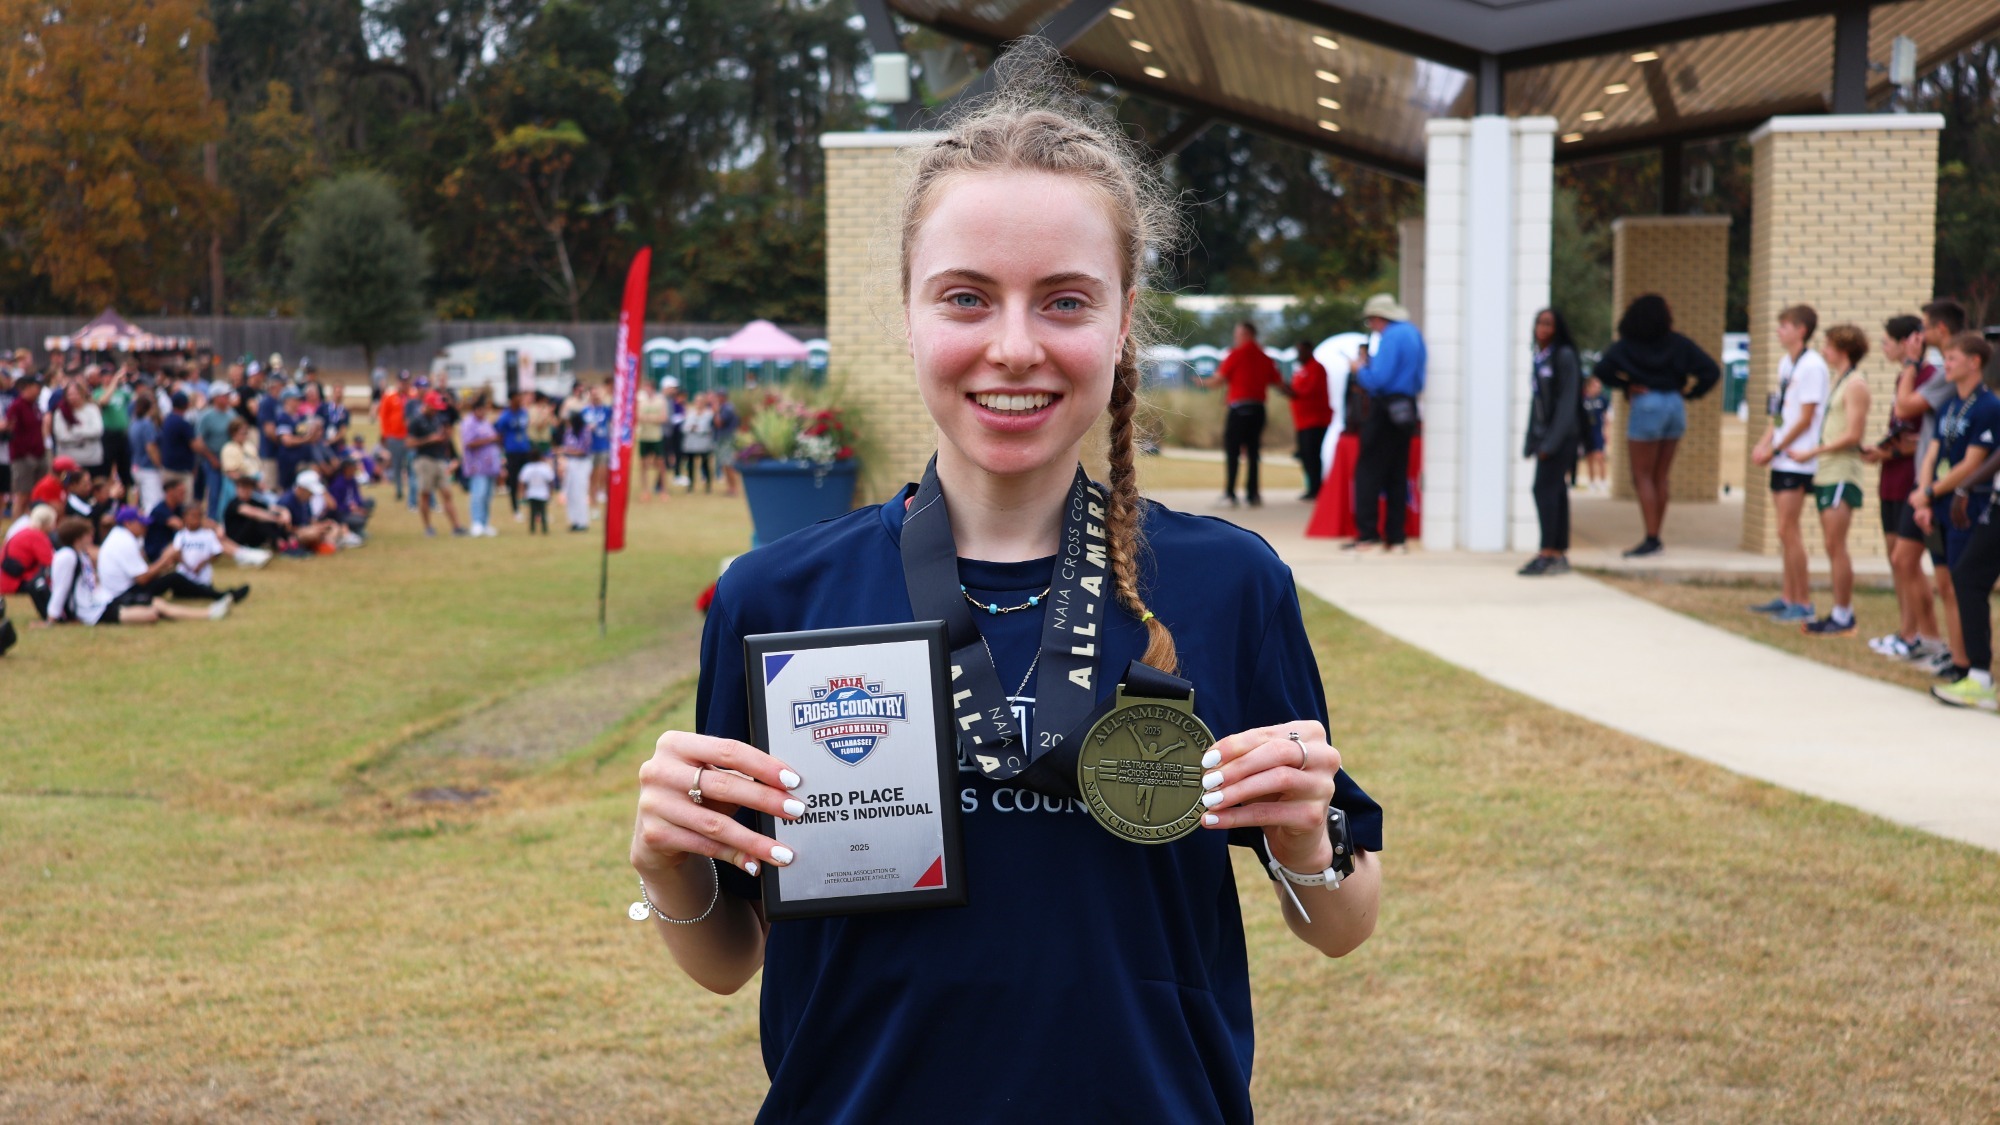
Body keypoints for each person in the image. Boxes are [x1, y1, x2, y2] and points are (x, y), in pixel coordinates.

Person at [627, 56, 1381, 1122]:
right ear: (908, 316)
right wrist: (669, 863)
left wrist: (1307, 841)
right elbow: (727, 958)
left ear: (1123, 324)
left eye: (1065, 300)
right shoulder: (775, 597)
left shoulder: (1227, 583)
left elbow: (1341, 922)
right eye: (966, 297)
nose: (1013, 346)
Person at [1592, 294, 1722, 558]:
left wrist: (1626, 385)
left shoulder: (1627, 346)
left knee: (1642, 476)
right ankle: (1656, 535)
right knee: (1660, 476)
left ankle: (1651, 538)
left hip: (1647, 402)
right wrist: (1691, 393)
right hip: (1675, 404)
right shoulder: (1679, 343)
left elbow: (1602, 370)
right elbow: (1711, 370)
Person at [1913, 331, 2000, 692]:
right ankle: (1968, 667)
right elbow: (1934, 451)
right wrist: (1925, 493)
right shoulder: (1951, 405)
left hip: (1975, 501)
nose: (1944, 365)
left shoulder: (1989, 406)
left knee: (1964, 579)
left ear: (1974, 362)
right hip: (1949, 498)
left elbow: (1975, 462)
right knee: (1956, 579)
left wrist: (1938, 489)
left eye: (1952, 359)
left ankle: (1973, 670)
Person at [1862, 316, 1941, 659]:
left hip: (1914, 480)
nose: (1883, 348)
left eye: (1887, 341)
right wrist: (1884, 451)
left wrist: (1891, 450)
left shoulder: (1929, 378)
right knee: (1897, 562)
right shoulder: (1904, 377)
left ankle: (1925, 636)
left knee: (1907, 561)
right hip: (1891, 480)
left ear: (1909, 341)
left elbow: (1921, 434)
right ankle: (1907, 632)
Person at [1749, 304, 1827, 624]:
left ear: (1801, 330)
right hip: (1781, 456)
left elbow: (1807, 419)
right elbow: (1780, 412)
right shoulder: (1786, 363)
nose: (1779, 331)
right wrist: (1764, 442)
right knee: (1782, 531)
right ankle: (1787, 596)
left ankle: (1804, 601)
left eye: (1785, 326)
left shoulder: (1813, 366)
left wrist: (1777, 447)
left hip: (1797, 459)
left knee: (1788, 528)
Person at [1792, 325, 1872, 637]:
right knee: (1830, 544)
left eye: (1829, 345)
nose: (1824, 351)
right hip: (1827, 470)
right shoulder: (1841, 381)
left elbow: (1853, 434)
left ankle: (1844, 616)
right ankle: (1840, 612)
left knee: (1836, 544)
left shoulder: (1855, 385)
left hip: (1841, 471)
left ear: (1843, 349)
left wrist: (1814, 450)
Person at [1351, 293, 1425, 553]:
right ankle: (1396, 537)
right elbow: (1418, 378)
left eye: (1370, 320)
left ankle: (1367, 534)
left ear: (1379, 318)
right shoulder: (1414, 334)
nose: (1371, 326)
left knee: (1368, 471)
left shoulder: (1390, 337)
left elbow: (1378, 380)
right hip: (1406, 407)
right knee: (1397, 471)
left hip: (1385, 408)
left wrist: (1359, 370)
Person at [1196, 321, 1289, 507]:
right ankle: (1253, 494)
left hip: (1239, 409)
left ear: (1246, 334)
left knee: (1233, 450)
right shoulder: (1265, 358)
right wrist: (1294, 392)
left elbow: (1218, 381)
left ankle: (1230, 493)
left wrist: (1201, 382)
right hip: (1258, 409)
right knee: (1253, 451)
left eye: (1237, 334)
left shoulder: (1235, 355)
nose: (1235, 338)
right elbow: (1279, 384)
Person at [1521, 308, 1583, 577]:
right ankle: (1558, 552)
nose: (1542, 328)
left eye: (1548, 323)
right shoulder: (1540, 357)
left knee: (1544, 490)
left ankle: (1548, 552)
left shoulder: (1564, 356)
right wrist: (1530, 439)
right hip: (1544, 436)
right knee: (1554, 490)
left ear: (1558, 328)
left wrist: (1551, 443)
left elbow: (1567, 403)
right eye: (1539, 323)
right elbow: (1537, 403)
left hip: (1561, 438)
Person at [96, 505, 240, 612]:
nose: (145, 527)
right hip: (124, 594)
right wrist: (165, 559)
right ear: (128, 523)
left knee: (174, 578)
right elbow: (143, 578)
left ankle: (215, 594)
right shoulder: (125, 542)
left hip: (118, 590)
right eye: (141, 523)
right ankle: (220, 595)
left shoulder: (119, 537)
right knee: (174, 578)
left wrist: (163, 565)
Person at [406, 387, 468, 537]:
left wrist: (445, 438)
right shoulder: (416, 420)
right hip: (424, 460)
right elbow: (409, 443)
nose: (436, 411)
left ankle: (456, 526)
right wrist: (429, 439)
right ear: (427, 405)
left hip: (440, 459)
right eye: (434, 408)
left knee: (447, 493)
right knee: (425, 494)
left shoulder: (438, 418)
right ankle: (428, 527)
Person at [1289, 340, 1332, 501]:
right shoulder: (1302, 370)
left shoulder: (1316, 368)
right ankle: (1312, 487)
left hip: (1316, 420)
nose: (1298, 355)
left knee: (1312, 454)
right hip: (1302, 421)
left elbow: (1307, 391)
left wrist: (1290, 391)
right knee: (1305, 454)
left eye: (1301, 351)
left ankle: (1316, 488)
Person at [459, 392, 503, 537]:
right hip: (477, 466)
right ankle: (476, 522)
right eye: (482, 409)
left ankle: (485, 523)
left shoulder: (485, 423)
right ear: (476, 409)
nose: (484, 412)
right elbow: (469, 443)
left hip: (489, 466)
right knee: (478, 495)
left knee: (487, 496)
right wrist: (490, 440)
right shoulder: (469, 423)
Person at [4, 372, 48, 518]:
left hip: (38, 454)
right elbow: (10, 431)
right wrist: (24, 453)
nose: (39, 389)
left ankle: (31, 521)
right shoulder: (16, 406)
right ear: (27, 387)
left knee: (36, 495)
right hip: (23, 458)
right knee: (22, 495)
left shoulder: (34, 406)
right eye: (37, 386)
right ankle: (16, 527)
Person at [193, 382, 237, 521]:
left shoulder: (232, 414)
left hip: (230, 460)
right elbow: (199, 441)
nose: (228, 398)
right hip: (212, 460)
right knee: (214, 492)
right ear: (216, 398)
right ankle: (213, 520)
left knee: (230, 491)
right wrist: (211, 458)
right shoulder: (206, 416)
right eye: (225, 396)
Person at [51, 381, 106, 478]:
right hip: (69, 460)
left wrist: (75, 430)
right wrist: (86, 434)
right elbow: (62, 436)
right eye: (70, 394)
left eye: (76, 394)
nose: (73, 397)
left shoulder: (92, 409)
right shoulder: (61, 412)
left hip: (92, 459)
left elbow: (97, 430)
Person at [1, 503, 56, 599]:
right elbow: (51, 562)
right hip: (15, 582)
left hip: (6, 580)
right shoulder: (38, 536)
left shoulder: (26, 531)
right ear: (47, 523)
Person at [93, 364, 134, 488]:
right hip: (108, 435)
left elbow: (133, 401)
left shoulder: (121, 392)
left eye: (111, 376)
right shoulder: (98, 392)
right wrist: (114, 383)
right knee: (106, 467)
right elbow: (103, 401)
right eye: (106, 377)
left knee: (125, 469)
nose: (109, 379)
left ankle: (125, 496)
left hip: (122, 434)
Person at [497, 391, 535, 519]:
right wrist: (502, 449)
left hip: (524, 449)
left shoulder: (524, 413)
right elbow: (499, 433)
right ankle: (515, 509)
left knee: (529, 479)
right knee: (513, 480)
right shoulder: (505, 416)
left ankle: (534, 508)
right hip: (512, 451)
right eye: (517, 397)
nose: (520, 400)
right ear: (511, 399)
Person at [377, 370, 412, 506]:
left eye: (406, 381)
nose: (404, 384)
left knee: (410, 464)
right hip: (395, 436)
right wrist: (385, 435)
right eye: (402, 381)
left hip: (409, 437)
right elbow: (383, 416)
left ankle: (412, 491)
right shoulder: (390, 396)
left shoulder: (412, 396)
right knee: (397, 464)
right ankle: (398, 490)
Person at [128, 391, 164, 513]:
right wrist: (159, 465)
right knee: (153, 503)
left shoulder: (134, 423)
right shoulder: (147, 424)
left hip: (136, 466)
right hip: (148, 468)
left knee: (142, 502)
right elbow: (151, 447)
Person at [157, 391, 199, 492]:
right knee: (184, 502)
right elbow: (195, 445)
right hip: (181, 470)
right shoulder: (182, 423)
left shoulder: (168, 419)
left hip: (168, 467)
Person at [557, 412, 593, 531]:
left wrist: (566, 451)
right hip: (571, 463)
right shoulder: (569, 432)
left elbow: (582, 450)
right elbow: (567, 447)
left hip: (582, 463)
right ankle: (574, 520)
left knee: (580, 493)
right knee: (570, 493)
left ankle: (582, 521)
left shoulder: (585, 432)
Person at [636, 381, 669, 498]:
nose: (646, 391)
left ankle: (664, 490)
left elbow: (663, 418)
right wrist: (653, 418)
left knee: (660, 463)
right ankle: (645, 491)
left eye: (648, 388)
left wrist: (648, 418)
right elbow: (637, 417)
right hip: (644, 437)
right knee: (643, 465)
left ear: (653, 388)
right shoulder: (641, 402)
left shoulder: (661, 401)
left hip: (656, 437)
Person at [679, 393, 716, 494]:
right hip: (691, 443)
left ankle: (708, 485)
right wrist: (691, 428)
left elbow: (707, 428)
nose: (698, 403)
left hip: (703, 444)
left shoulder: (709, 414)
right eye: (697, 401)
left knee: (705, 465)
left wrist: (697, 428)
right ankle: (690, 485)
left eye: (700, 401)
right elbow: (684, 427)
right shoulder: (690, 413)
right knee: (690, 465)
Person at [518, 451, 555, 534]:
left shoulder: (527, 468)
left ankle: (532, 529)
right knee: (543, 512)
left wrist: (523, 493)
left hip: (531, 494)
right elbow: (550, 481)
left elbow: (522, 482)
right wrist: (550, 493)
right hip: (543, 494)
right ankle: (544, 529)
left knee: (532, 513)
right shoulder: (545, 467)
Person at [714, 388, 741, 496]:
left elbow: (719, 423)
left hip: (727, 439)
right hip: (724, 439)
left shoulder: (727, 408)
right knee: (725, 464)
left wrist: (716, 412)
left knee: (728, 464)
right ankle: (730, 488)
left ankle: (733, 488)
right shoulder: (725, 407)